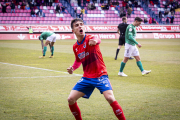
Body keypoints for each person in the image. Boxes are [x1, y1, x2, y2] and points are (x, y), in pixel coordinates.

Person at [67, 18, 126, 120]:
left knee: (110, 98)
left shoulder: (91, 38)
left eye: (81, 24)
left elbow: (98, 39)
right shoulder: (75, 46)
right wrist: (72, 68)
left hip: (100, 75)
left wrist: (95, 41)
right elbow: (78, 60)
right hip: (87, 77)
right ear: (73, 30)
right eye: (77, 25)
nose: (80, 26)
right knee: (71, 99)